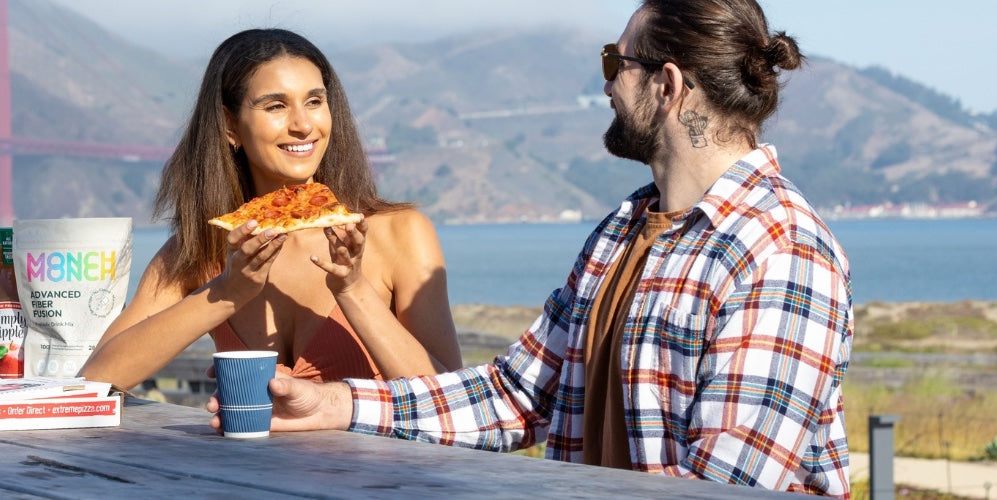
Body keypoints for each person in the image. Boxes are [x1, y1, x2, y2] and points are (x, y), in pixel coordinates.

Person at [211, 1, 854, 497]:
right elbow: (516, 397)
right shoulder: (621, 232)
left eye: (615, 63)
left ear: (668, 84)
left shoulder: (783, 251)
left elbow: (726, 488)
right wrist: (334, 404)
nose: (605, 86)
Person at [79, 29, 462, 391]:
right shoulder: (200, 249)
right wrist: (227, 292)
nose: (302, 124)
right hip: (242, 463)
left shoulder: (401, 233)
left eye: (315, 101)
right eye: (275, 106)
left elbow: (451, 402)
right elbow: (96, 380)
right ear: (230, 125)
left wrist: (352, 289)